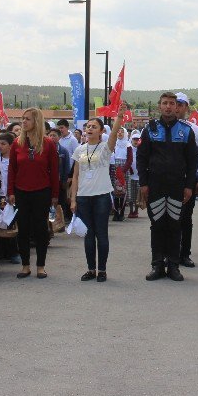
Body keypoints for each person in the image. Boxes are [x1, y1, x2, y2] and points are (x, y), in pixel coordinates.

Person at [138, 92, 198, 281]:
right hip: (155, 186)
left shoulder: (186, 130)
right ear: (159, 106)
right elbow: (141, 158)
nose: (168, 106)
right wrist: (144, 183)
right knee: (157, 225)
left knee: (175, 226)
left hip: (177, 186)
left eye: (172, 103)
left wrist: (189, 185)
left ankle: (173, 266)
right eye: (164, 103)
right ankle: (157, 265)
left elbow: (192, 160)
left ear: (177, 107)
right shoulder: (149, 129)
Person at [70, 107, 128, 282]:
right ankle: (91, 269)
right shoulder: (80, 150)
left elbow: (114, 134)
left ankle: (102, 270)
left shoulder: (105, 147)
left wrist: (118, 117)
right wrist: (73, 199)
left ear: (101, 131)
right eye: (88, 126)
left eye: (94, 127)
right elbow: (75, 176)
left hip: (102, 196)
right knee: (88, 235)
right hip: (83, 197)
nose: (89, 129)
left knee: (101, 234)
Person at [7, 107, 59, 279]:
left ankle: (41, 266)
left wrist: (54, 195)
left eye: (27, 119)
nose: (23, 122)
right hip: (21, 192)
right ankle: (25, 265)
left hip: (42, 191)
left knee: (40, 229)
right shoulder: (17, 143)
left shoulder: (48, 143)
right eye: (22, 119)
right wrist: (10, 191)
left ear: (36, 121)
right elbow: (12, 170)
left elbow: (54, 170)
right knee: (23, 230)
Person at [174, 93, 198, 268]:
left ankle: (184, 254)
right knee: (167, 219)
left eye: (181, 104)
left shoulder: (195, 130)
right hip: (168, 181)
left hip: (187, 181)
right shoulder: (162, 127)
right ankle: (167, 253)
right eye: (175, 104)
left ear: (186, 108)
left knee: (186, 218)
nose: (177, 107)